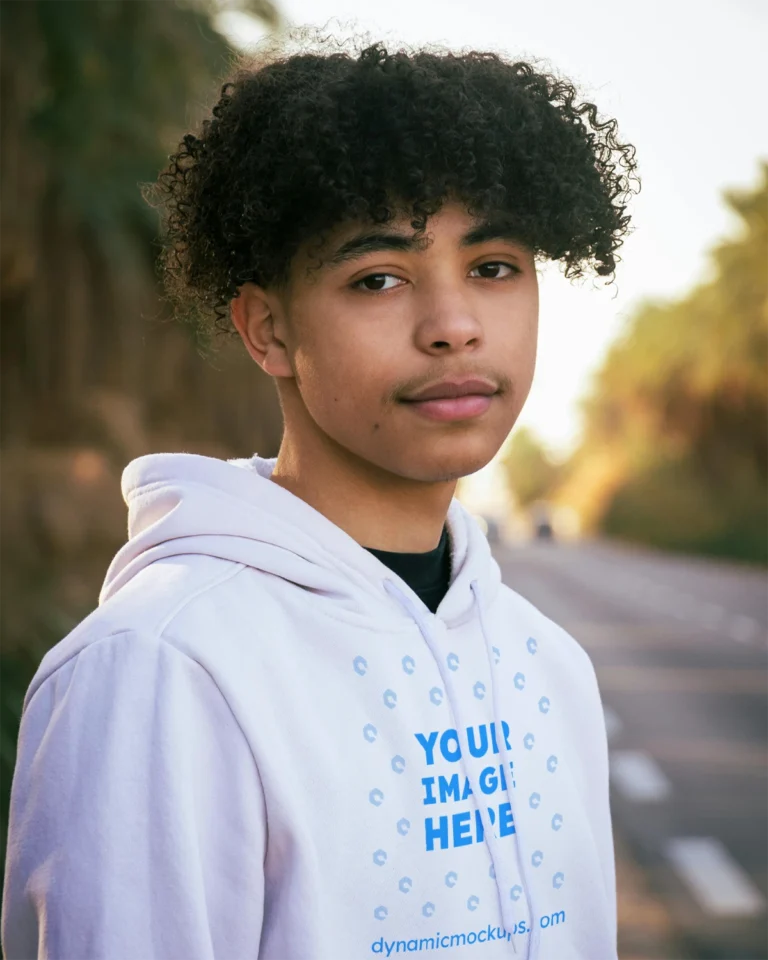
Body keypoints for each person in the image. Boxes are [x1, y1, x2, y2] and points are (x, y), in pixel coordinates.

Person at [1, 30, 639, 960]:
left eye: (494, 267)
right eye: (378, 278)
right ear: (268, 333)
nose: (454, 326)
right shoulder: (162, 669)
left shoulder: (550, 668)